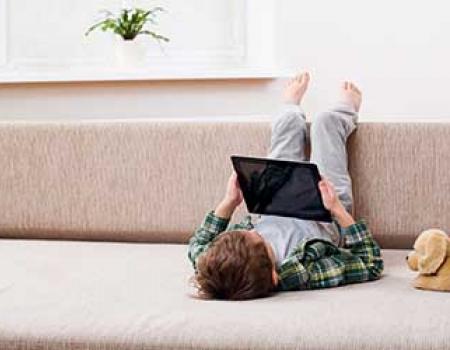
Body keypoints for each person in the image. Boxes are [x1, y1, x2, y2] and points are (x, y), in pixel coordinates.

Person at [187, 73, 384, 300]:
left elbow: (198, 245)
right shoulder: (299, 273)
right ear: (273, 275)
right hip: (324, 214)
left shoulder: (214, 267)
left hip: (273, 202)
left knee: (288, 126)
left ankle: (290, 107)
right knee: (325, 124)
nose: (253, 231)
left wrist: (229, 202)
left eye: (248, 231)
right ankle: (345, 110)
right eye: (258, 238)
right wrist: (337, 209)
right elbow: (370, 263)